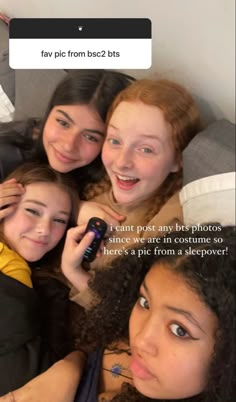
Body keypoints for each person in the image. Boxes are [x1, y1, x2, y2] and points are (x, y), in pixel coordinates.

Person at [2, 225, 235, 401]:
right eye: (144, 302)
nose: (141, 339)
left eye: (179, 330)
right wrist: (70, 367)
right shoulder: (119, 335)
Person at [71, 78, 202, 308]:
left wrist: (73, 273)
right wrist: (75, 206)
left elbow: (135, 317)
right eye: (115, 140)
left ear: (178, 160)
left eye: (145, 149)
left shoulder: (169, 225)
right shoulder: (92, 180)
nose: (122, 162)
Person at [0, 69, 135, 222]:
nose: (68, 145)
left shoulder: (109, 168)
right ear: (49, 112)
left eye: (90, 137)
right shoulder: (6, 153)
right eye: (63, 123)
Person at [0, 162, 79, 395]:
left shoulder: (52, 287)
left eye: (59, 220)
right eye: (33, 211)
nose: (45, 229)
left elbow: (47, 367)